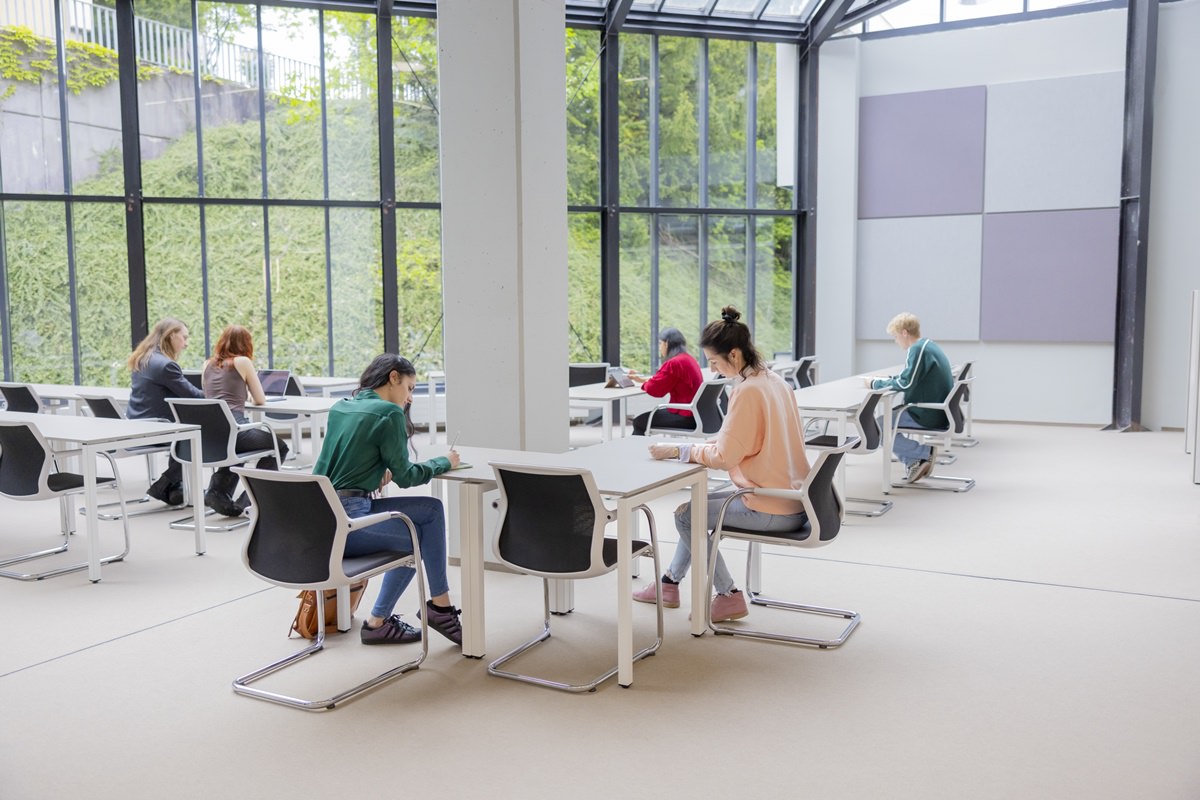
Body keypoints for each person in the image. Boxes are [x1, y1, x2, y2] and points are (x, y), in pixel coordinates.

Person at [633, 306, 811, 623]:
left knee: (688, 517)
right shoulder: (775, 382)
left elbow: (724, 457)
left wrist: (677, 451)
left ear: (734, 355)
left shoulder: (747, 391)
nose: (713, 370)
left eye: (714, 362)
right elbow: (735, 440)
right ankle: (669, 584)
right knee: (692, 510)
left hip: (770, 506)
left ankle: (727, 595)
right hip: (793, 498)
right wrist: (689, 446)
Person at [312, 353, 464, 647]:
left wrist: (375, 471)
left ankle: (424, 610)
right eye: (409, 388)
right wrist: (444, 462)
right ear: (393, 377)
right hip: (348, 522)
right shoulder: (388, 413)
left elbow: (336, 466)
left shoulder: (342, 407)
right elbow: (407, 477)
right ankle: (422, 611)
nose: (409, 399)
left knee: (431, 509)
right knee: (417, 533)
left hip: (320, 517)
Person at [200, 325, 288, 516]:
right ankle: (251, 500)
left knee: (239, 448)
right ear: (246, 344)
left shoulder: (207, 364)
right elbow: (260, 399)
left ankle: (217, 492)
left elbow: (209, 395)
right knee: (279, 447)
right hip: (235, 427)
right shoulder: (242, 361)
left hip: (211, 433)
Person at [863, 312, 953, 484]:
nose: (896, 341)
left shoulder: (917, 349)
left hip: (927, 413)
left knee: (876, 426)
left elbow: (906, 384)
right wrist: (889, 380)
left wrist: (874, 384)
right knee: (884, 422)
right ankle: (914, 461)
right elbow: (910, 377)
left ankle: (921, 453)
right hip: (935, 410)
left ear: (904, 333)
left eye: (896, 336)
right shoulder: (928, 345)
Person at [127, 318, 205, 507]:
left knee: (185, 432)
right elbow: (195, 396)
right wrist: (222, 395)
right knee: (202, 434)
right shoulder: (166, 365)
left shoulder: (143, 358)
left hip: (135, 422)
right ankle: (165, 483)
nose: (186, 344)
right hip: (157, 427)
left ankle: (175, 488)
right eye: (184, 338)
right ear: (171, 336)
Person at [628, 327, 704, 436]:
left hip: (685, 416)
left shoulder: (674, 363)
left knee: (639, 422)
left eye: (660, 343)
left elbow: (655, 390)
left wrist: (644, 384)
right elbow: (665, 379)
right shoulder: (687, 359)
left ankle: (638, 453)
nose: (659, 347)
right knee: (645, 419)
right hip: (696, 414)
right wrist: (640, 379)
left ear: (667, 343)